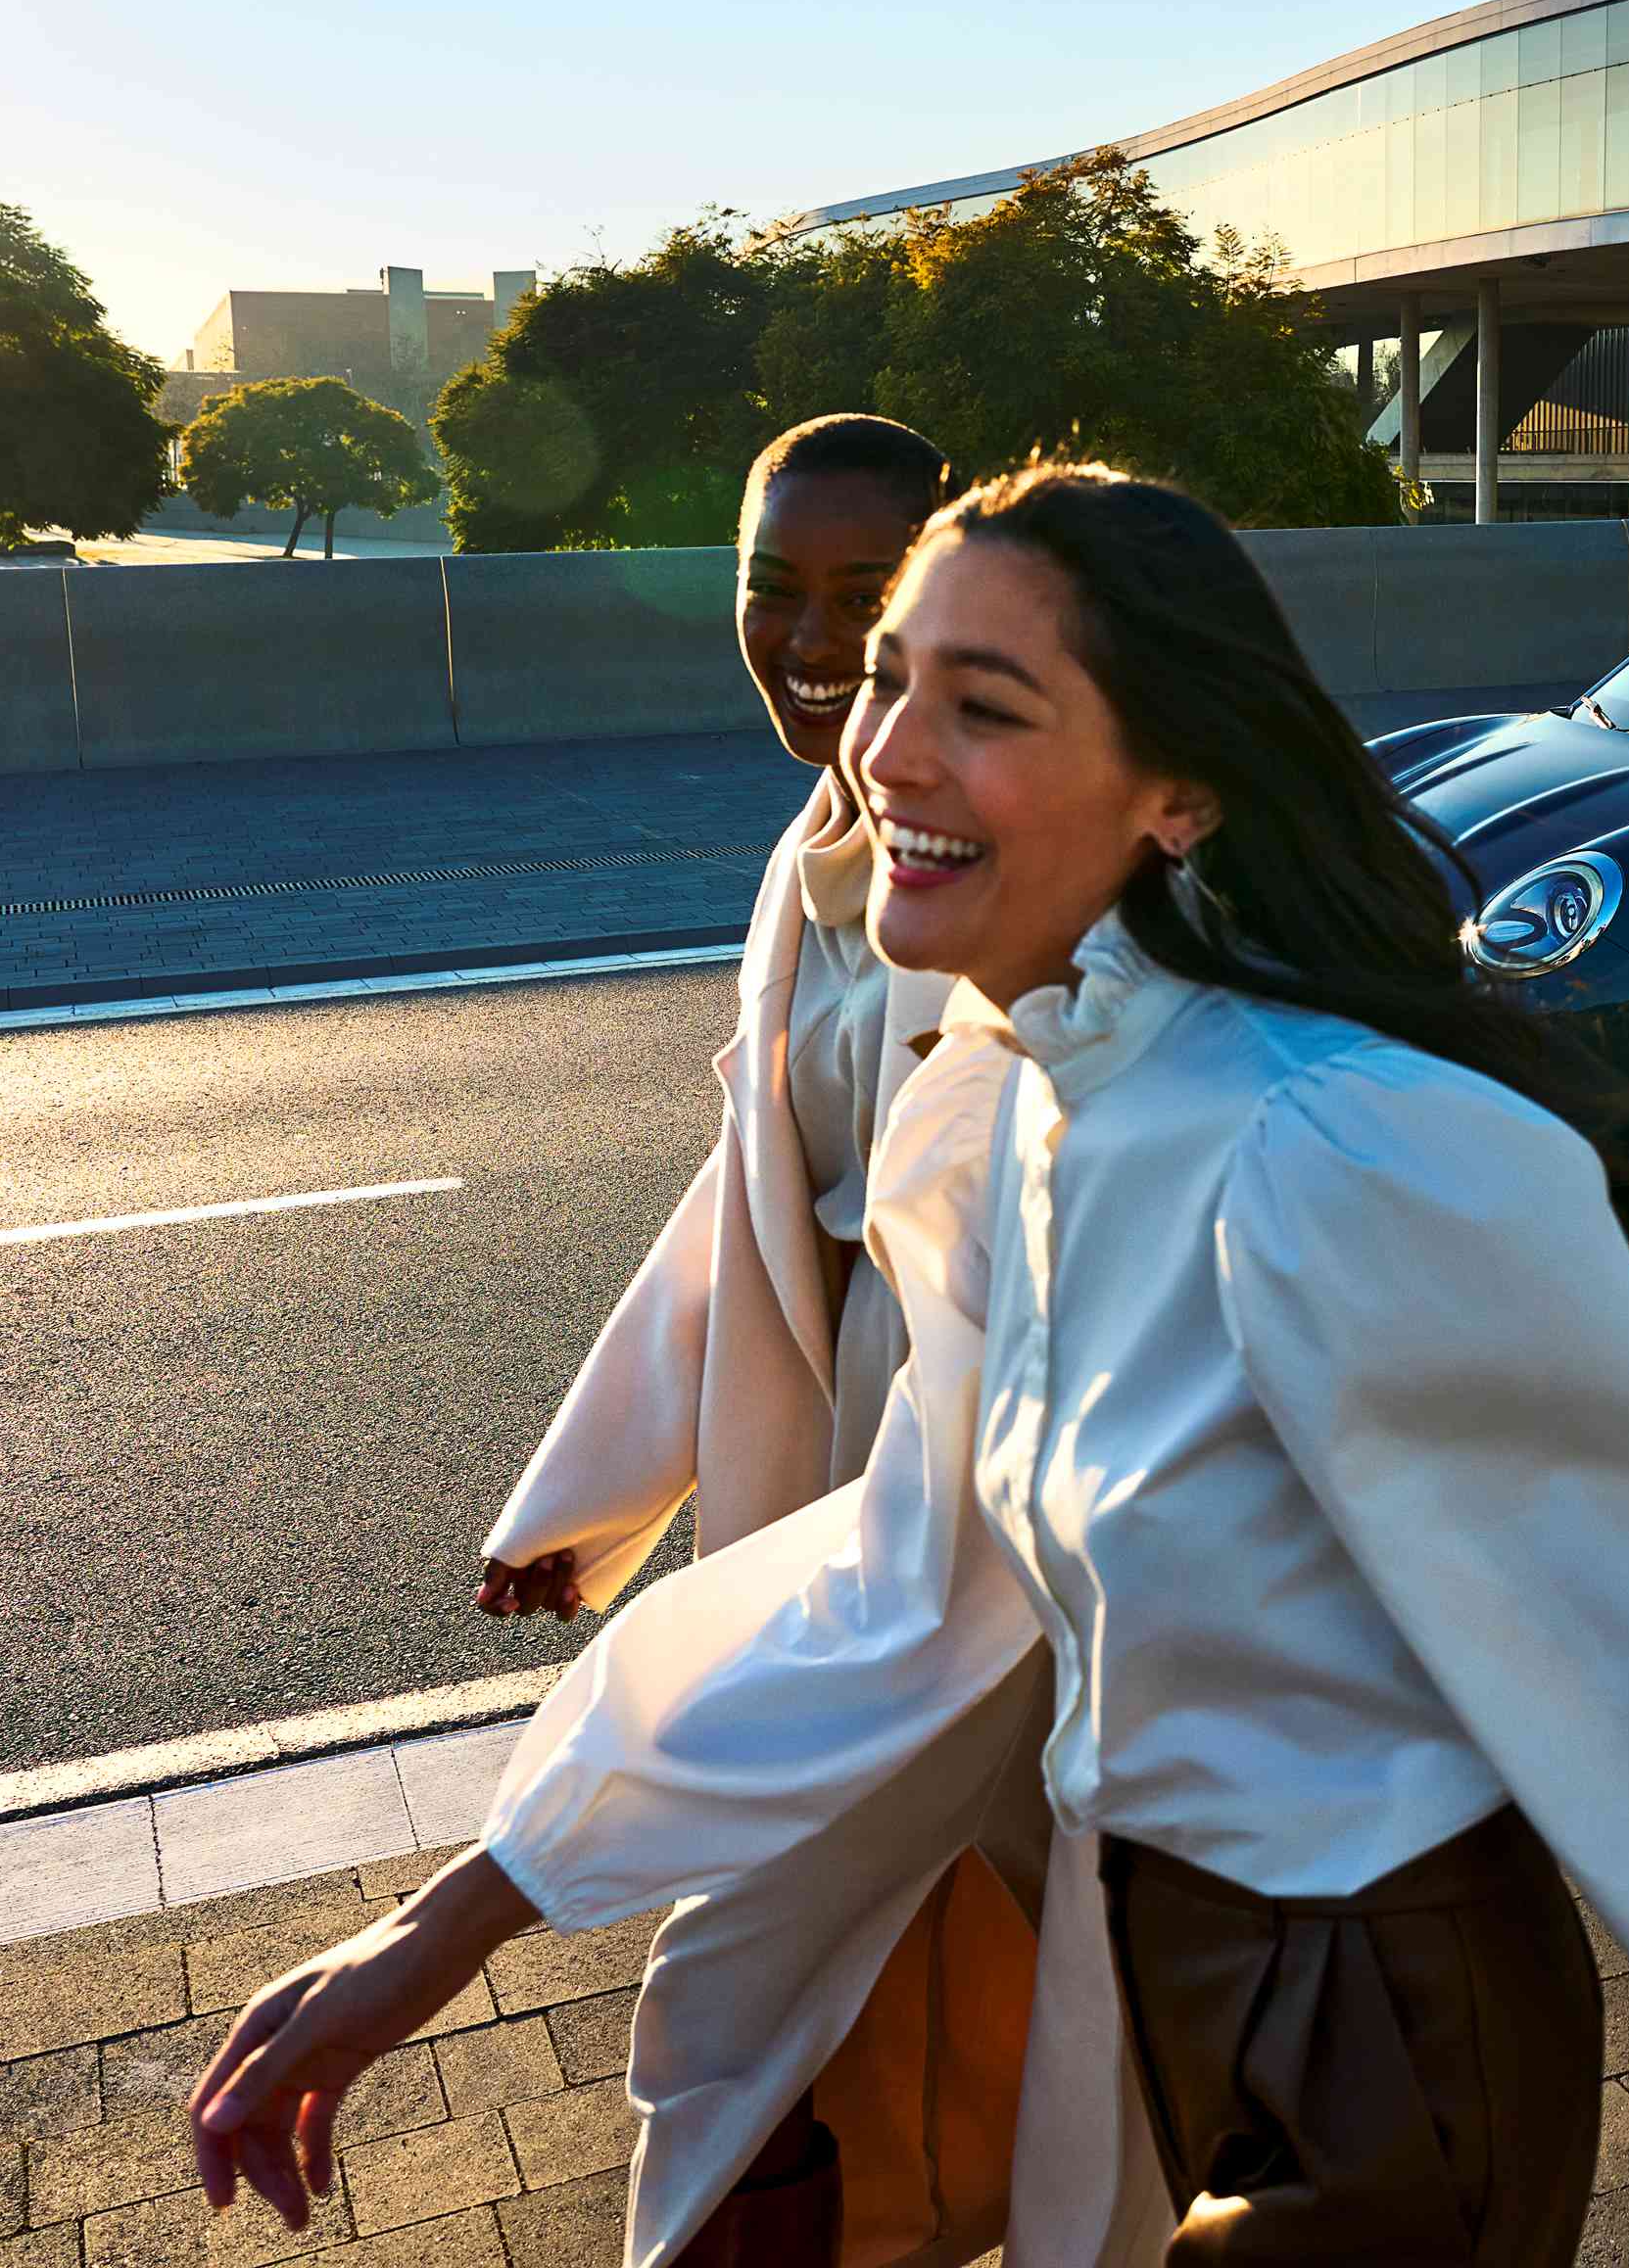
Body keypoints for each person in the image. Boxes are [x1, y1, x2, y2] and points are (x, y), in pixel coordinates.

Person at [192, 466, 1629, 2266]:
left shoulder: (1337, 1145)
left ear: (1178, 791)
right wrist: (455, 1918)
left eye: (978, 703)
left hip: (1383, 2054)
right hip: (1177, 1991)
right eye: (897, 679)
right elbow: (903, 1577)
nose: (885, 749)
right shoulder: (1015, 1112)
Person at [471, 412, 1091, 2268]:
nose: (811, 639)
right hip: (849, 1507)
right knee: (849, 1975)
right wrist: (589, 1493)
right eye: (774, 591)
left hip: (996, 1536)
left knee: (778, 1964)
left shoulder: (1011, 857)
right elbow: (756, 1194)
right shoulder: (814, 847)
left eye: (864, 595)